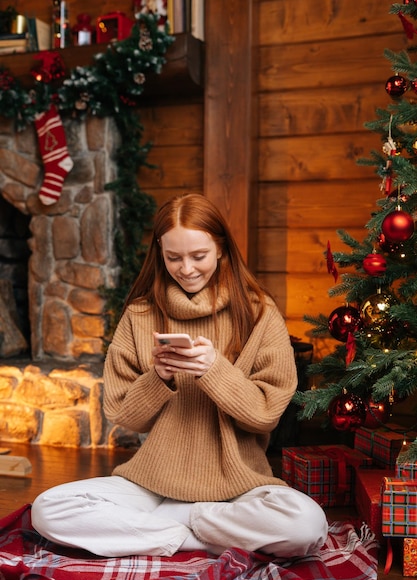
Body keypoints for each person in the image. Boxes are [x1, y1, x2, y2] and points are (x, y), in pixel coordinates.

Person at [32, 193, 328, 558]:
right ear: (160, 252)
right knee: (48, 509)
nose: (186, 268)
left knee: (306, 525)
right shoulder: (139, 315)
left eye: (198, 256)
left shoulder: (259, 313)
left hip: (237, 487)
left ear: (220, 248)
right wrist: (158, 378)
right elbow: (125, 416)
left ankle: (171, 527)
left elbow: (265, 414)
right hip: (151, 485)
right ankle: (190, 538)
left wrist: (214, 370)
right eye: (173, 257)